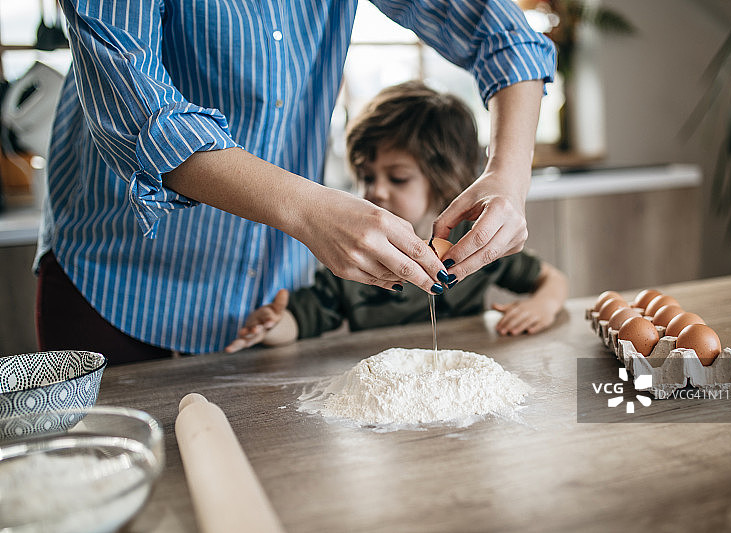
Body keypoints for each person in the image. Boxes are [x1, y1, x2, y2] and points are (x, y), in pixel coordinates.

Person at [36, 0, 556, 364]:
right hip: (114, 278)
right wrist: (310, 210)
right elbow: (141, 114)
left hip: (264, 287)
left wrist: (507, 176)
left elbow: (502, 33)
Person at [224, 82, 567, 352]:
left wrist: (543, 305)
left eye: (398, 178)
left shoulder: (474, 242)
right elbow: (302, 318)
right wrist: (272, 325)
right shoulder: (355, 254)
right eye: (367, 177)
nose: (378, 191)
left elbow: (551, 280)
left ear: (443, 179)